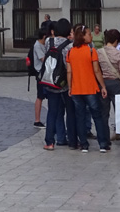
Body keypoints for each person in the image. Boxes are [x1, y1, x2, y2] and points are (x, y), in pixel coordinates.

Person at [66, 24, 110, 153]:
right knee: (97, 115)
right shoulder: (91, 51)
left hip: (76, 89)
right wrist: (103, 86)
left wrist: (70, 87)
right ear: (83, 36)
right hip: (90, 88)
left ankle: (84, 145)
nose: (91, 36)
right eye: (89, 34)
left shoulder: (71, 52)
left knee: (80, 117)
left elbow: (69, 72)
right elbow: (96, 71)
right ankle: (102, 144)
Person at [41, 18, 75, 151]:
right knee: (70, 112)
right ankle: (72, 141)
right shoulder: (70, 45)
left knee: (52, 112)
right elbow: (69, 66)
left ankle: (49, 141)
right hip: (65, 83)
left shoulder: (49, 41)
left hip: (51, 81)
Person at [98, 29, 120, 143]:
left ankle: (104, 139)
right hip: (116, 83)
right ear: (116, 41)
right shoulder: (119, 54)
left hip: (103, 83)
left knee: (104, 113)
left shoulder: (98, 52)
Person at [32, 29, 48, 128]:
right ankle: (37, 120)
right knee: (40, 96)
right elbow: (43, 59)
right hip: (40, 73)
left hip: (45, 73)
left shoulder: (43, 45)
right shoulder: (37, 45)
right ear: (44, 37)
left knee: (44, 96)